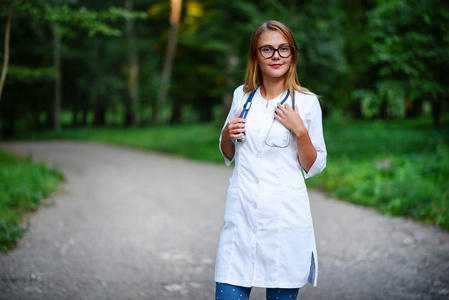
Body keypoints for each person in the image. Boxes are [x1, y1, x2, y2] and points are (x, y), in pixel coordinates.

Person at [214, 20, 327, 300]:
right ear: (256, 55)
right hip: (242, 220)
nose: (276, 56)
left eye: (283, 49)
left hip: (283, 223)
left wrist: (300, 130)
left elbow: (312, 166)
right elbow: (229, 153)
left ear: (292, 54)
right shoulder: (242, 95)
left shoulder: (307, 102)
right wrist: (226, 135)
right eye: (267, 49)